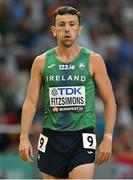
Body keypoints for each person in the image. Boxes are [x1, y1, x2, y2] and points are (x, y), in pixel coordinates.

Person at [19, 6, 117, 179]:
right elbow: (31, 102)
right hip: (51, 136)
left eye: (72, 24)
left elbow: (109, 100)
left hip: (82, 136)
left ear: (79, 30)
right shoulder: (41, 62)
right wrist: (23, 137)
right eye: (62, 24)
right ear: (53, 30)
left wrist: (108, 137)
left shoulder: (93, 60)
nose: (67, 29)